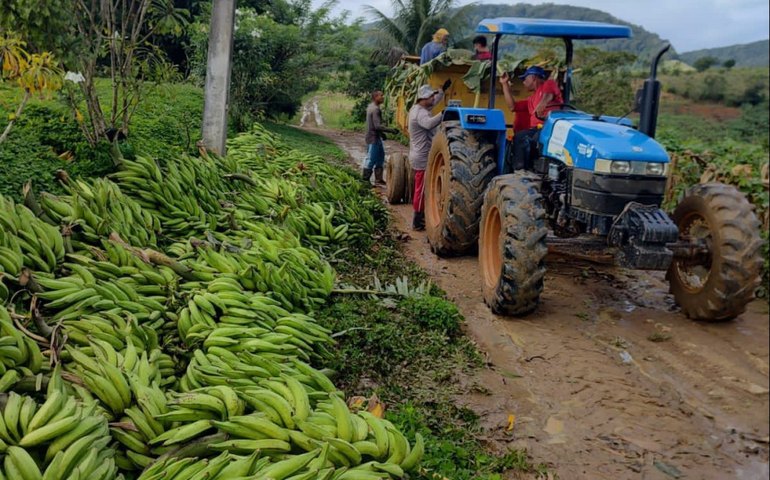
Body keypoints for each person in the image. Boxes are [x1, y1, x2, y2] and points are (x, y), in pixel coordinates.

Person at [499, 65, 563, 170]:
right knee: (518, 139)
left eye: (525, 78)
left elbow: (548, 94)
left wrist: (543, 102)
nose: (523, 82)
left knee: (521, 137)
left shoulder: (549, 84)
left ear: (533, 77)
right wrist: (504, 84)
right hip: (537, 130)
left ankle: (520, 170)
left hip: (549, 128)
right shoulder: (531, 99)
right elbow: (512, 107)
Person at [408, 80, 451, 230]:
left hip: (420, 153)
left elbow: (434, 102)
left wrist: (441, 90)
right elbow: (428, 124)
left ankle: (419, 217)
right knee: (421, 188)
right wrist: (443, 113)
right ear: (424, 98)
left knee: (422, 186)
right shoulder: (419, 114)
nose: (433, 99)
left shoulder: (420, 107)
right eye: (431, 97)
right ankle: (417, 220)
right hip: (422, 156)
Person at [363, 90, 397, 186]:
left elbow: (373, 125)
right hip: (373, 138)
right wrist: (391, 130)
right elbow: (377, 126)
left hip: (374, 136)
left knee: (380, 158)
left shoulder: (370, 107)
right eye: (381, 95)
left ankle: (378, 179)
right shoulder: (376, 109)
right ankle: (365, 180)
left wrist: (382, 135)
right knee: (371, 159)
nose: (383, 97)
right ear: (375, 97)